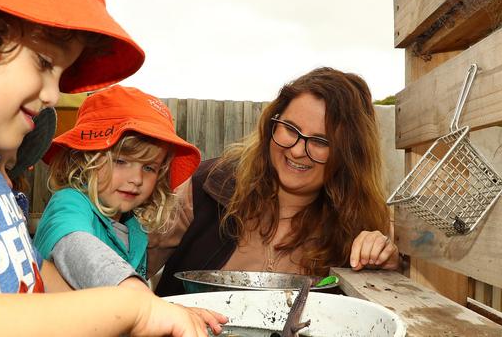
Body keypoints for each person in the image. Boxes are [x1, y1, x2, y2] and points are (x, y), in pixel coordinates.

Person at [0, 0, 225, 335]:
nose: (53, 96)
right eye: (45, 63)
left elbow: (27, 277)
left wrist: (135, 310)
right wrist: (129, 308)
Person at [148, 67, 401, 296]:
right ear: (272, 124)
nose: (297, 151)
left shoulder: (357, 226)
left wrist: (383, 269)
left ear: (348, 155)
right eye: (290, 129)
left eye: (320, 141)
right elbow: (128, 266)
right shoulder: (206, 186)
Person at [34, 85, 201, 289]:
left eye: (149, 167)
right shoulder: (71, 201)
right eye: (121, 162)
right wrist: (133, 292)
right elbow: (72, 244)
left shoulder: (135, 228)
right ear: (84, 160)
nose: (137, 179)